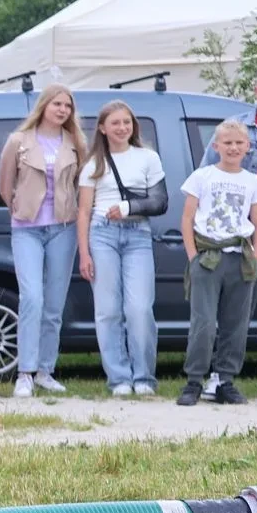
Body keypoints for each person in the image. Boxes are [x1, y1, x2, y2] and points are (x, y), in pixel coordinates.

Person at [0, 84, 85, 399]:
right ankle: (25, 372)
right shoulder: (18, 141)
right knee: (31, 298)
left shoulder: (75, 143)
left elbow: (79, 184)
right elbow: (5, 185)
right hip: (27, 229)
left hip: (63, 228)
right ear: (43, 106)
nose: (62, 110)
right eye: (57, 104)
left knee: (54, 303)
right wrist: (22, 210)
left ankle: (45, 370)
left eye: (67, 106)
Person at [77, 101, 166, 397]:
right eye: (115, 123)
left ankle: (144, 377)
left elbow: (160, 202)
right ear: (102, 128)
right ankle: (119, 379)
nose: (122, 128)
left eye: (127, 122)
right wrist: (84, 254)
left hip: (138, 235)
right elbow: (83, 213)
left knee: (139, 308)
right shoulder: (93, 164)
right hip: (102, 236)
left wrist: (128, 207)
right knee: (107, 311)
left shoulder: (147, 158)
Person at [177, 120, 257, 406]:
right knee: (203, 322)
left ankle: (225, 379)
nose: (233, 147)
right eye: (227, 142)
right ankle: (194, 380)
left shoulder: (252, 181)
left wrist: (253, 254)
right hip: (208, 256)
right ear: (215, 146)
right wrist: (193, 256)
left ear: (248, 147)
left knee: (236, 323)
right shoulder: (202, 177)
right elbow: (188, 219)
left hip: (239, 258)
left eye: (239, 143)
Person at [199, 62, 257, 397]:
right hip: (247, 234)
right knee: (236, 306)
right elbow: (205, 176)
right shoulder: (239, 128)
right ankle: (221, 374)